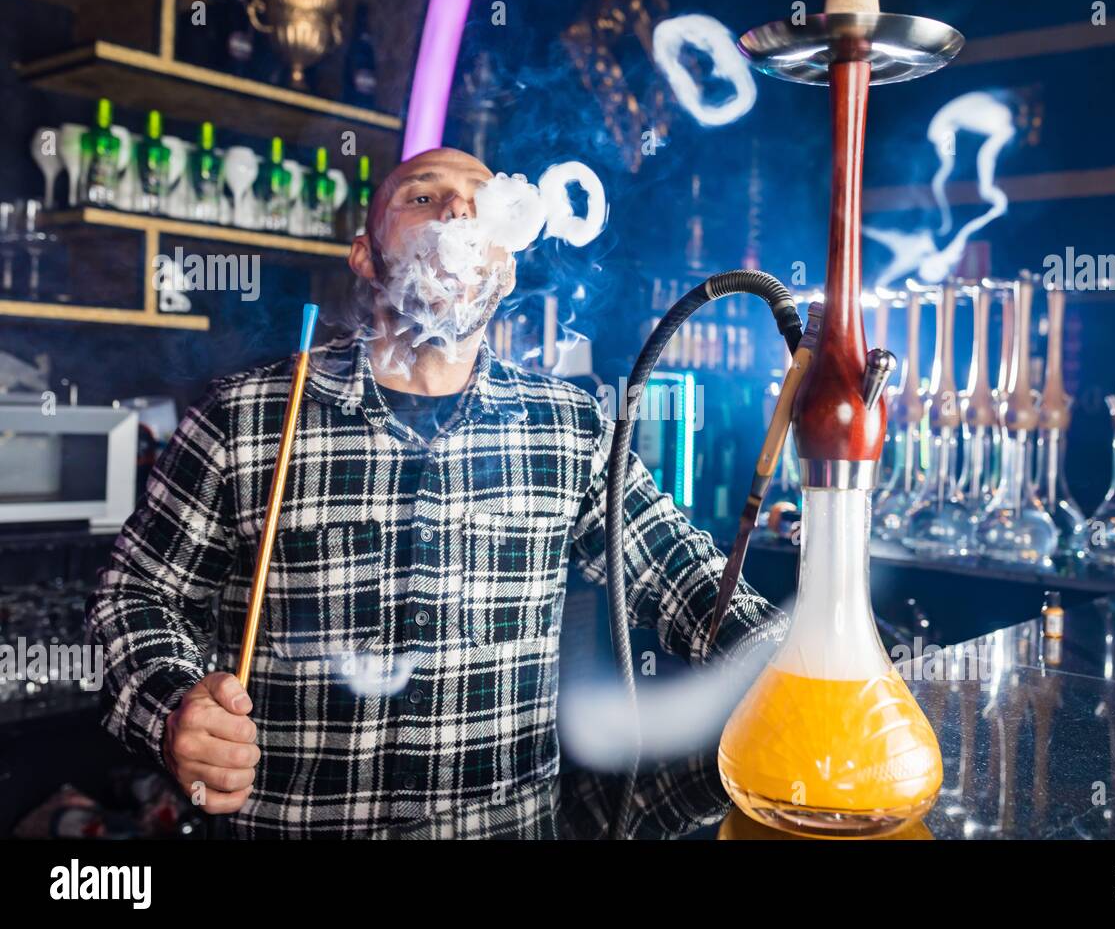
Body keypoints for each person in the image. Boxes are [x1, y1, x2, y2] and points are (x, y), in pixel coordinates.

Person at [85, 147, 785, 838]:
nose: (456, 209)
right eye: (422, 197)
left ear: (505, 265)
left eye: (481, 202)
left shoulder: (569, 427)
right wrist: (175, 708)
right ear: (364, 255)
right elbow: (137, 596)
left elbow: (689, 582)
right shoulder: (249, 416)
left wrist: (810, 667)